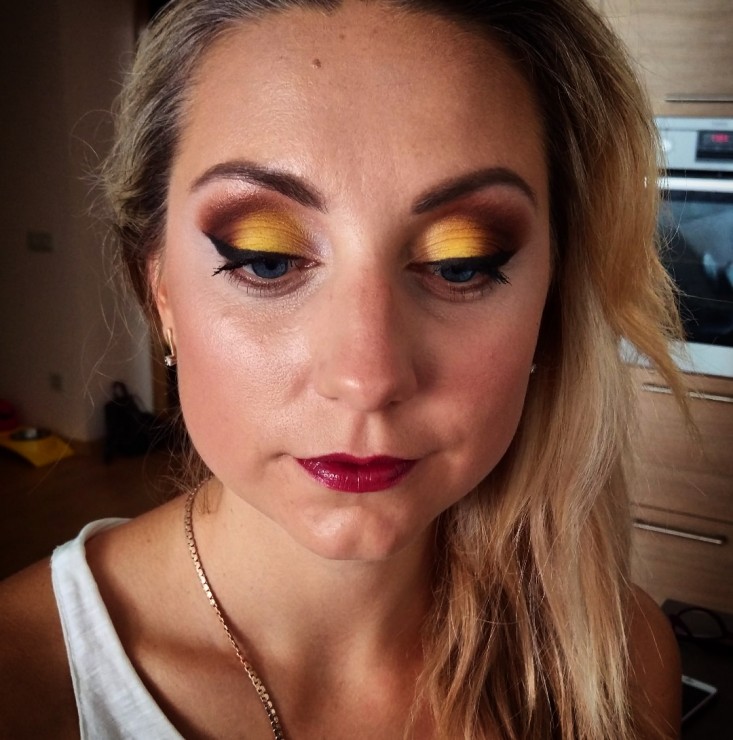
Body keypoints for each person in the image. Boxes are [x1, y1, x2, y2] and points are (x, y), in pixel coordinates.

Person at [0, 0, 684, 737]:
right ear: (161, 291)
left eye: (461, 264)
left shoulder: (621, 669)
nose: (367, 379)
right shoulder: (25, 687)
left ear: (552, 297)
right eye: (266, 259)